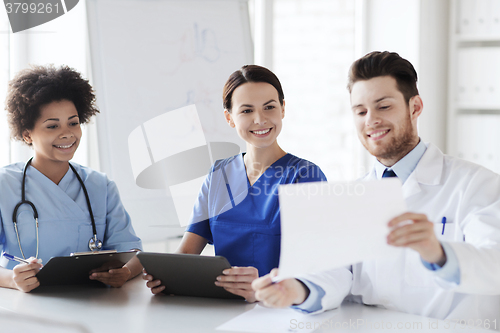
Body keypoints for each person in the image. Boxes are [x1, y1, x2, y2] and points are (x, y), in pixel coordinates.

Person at [252, 51, 500, 323]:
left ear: (415, 107)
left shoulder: (476, 185)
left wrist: (437, 252)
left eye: (383, 107)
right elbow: (337, 271)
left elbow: (494, 264)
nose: (370, 120)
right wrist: (297, 290)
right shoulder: (354, 195)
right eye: (360, 111)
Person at [144, 65, 327, 302]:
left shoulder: (306, 175)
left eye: (269, 107)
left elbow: (315, 265)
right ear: (229, 118)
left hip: (281, 310)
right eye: (247, 110)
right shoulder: (218, 174)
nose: (260, 119)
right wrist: (166, 277)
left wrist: (263, 286)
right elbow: (188, 252)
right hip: (223, 306)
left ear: (283, 109)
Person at [0, 65, 143, 292]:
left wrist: (124, 273)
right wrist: (11, 280)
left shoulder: (100, 185)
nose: (67, 133)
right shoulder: (4, 185)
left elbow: (133, 252)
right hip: (27, 307)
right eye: (52, 126)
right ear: (27, 134)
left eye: (73, 122)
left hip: (93, 304)